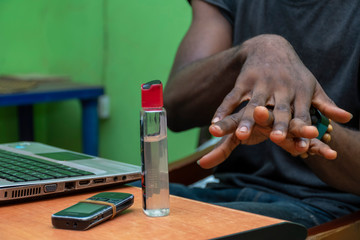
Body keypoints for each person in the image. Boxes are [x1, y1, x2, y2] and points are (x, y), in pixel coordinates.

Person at [163, 0, 360, 228]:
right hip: (224, 191)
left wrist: (306, 122)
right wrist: (251, 52)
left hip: (326, 209)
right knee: (118, 205)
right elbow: (176, 107)